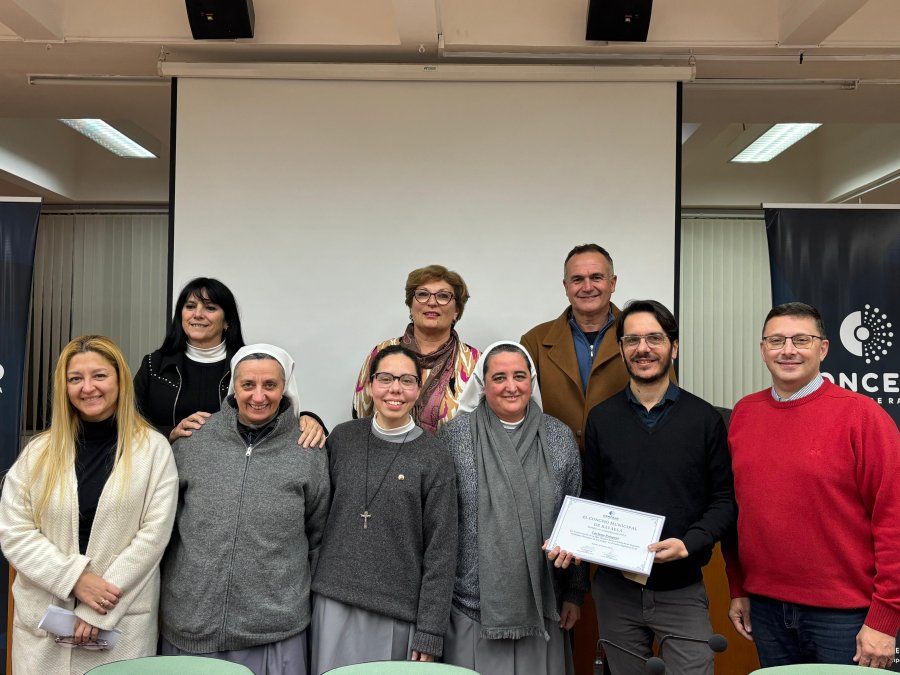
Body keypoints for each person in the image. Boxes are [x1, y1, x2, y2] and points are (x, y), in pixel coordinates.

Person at [725, 302, 900, 669]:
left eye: (801, 340)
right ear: (762, 350)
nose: (787, 350)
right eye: (776, 340)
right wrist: (738, 587)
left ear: (822, 349)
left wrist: (885, 619)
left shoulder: (863, 417)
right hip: (766, 610)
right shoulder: (744, 414)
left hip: (845, 617)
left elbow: (893, 520)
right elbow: (740, 511)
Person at [568, 300, 736, 675]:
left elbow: (724, 501)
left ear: (673, 347)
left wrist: (690, 543)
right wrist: (572, 538)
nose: (643, 348)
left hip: (682, 589)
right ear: (622, 349)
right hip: (616, 592)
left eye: (654, 338)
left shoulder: (706, 419)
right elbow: (592, 497)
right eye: (633, 340)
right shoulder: (602, 419)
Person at [0, 335, 178, 675]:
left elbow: (153, 538)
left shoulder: (154, 451)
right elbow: (15, 533)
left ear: (119, 380)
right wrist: (73, 578)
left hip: (119, 629)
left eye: (99, 375)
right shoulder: (37, 454)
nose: (88, 387)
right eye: (75, 378)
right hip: (44, 633)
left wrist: (97, 608)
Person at [160, 344, 330, 674]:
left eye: (270, 385)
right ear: (232, 388)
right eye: (248, 385)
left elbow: (319, 536)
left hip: (274, 631)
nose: (259, 396)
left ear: (285, 389)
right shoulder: (194, 440)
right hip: (192, 623)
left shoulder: (308, 449)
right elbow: (162, 526)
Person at [438, 341, 587, 675]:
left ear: (531, 382)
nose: (510, 386)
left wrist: (574, 593)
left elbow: (574, 515)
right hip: (470, 608)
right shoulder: (454, 437)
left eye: (519, 376)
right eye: (499, 377)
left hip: (544, 607)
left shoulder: (559, 438)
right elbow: (441, 525)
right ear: (483, 383)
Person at [310, 345, 458, 673]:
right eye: (385, 378)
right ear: (370, 384)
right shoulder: (342, 439)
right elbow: (316, 520)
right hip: (333, 603)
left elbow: (441, 552)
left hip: (398, 613)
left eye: (406, 380)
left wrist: (430, 631)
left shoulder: (434, 457)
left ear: (419, 389)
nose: (395, 389)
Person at [134, 276, 326, 447]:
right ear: (180, 316)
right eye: (190, 306)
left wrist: (309, 418)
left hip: (228, 473)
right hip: (166, 467)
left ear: (227, 321)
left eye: (210, 308)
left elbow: (274, 410)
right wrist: (170, 434)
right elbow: (129, 423)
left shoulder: (246, 365)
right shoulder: (154, 364)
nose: (198, 314)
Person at [521, 244, 629, 452]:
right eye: (577, 279)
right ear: (566, 286)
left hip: (625, 465)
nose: (587, 287)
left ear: (613, 283)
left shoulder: (642, 336)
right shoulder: (534, 341)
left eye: (596, 277)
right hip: (556, 468)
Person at [352, 264, 479, 433]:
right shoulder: (382, 353)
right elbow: (360, 416)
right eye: (423, 294)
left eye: (443, 296)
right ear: (411, 305)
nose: (432, 302)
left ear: (456, 309)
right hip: (385, 456)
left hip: (451, 459)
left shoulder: (476, 362)